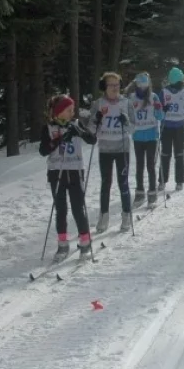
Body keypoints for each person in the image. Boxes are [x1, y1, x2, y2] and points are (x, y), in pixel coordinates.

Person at [39, 95, 97, 262]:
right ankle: (62, 244)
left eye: (73, 110)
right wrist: (58, 140)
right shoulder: (48, 128)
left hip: (75, 171)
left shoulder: (76, 123)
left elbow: (92, 140)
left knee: (78, 208)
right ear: (59, 111)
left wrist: (79, 131)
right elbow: (43, 150)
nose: (73, 112)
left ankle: (85, 241)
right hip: (57, 173)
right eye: (69, 110)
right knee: (61, 210)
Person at [89, 72, 135, 233]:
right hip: (105, 149)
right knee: (105, 183)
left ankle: (126, 214)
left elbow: (133, 127)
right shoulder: (98, 103)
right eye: (111, 85)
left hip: (122, 148)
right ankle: (104, 216)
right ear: (104, 87)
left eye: (117, 85)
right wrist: (96, 120)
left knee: (123, 182)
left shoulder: (126, 103)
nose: (115, 88)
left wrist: (126, 121)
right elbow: (91, 129)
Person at [127, 72, 164, 208]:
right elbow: (128, 115)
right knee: (139, 165)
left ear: (148, 85)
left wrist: (159, 109)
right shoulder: (132, 98)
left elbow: (160, 117)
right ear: (136, 85)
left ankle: (152, 193)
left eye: (144, 84)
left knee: (150, 165)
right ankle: (140, 193)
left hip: (151, 137)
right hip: (137, 136)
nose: (142, 88)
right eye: (140, 84)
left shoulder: (153, 97)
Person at [159, 67, 184, 192]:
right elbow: (158, 109)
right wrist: (162, 109)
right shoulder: (163, 92)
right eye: (181, 81)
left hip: (179, 127)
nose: (182, 84)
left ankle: (179, 181)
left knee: (179, 154)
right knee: (165, 154)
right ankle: (162, 181)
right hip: (166, 127)